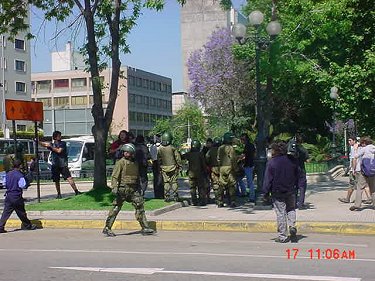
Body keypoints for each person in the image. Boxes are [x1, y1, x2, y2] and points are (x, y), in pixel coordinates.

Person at [103, 143, 155, 237]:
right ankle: (107, 227)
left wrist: (140, 188)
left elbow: (137, 177)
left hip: (134, 189)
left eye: (128, 152)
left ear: (132, 153)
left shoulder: (135, 163)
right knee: (116, 208)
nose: (126, 153)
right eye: (124, 152)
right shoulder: (121, 162)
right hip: (122, 189)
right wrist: (114, 187)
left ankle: (145, 227)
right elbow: (115, 176)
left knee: (140, 207)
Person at [262, 140, 303, 243]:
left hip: (277, 191)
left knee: (281, 213)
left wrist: (265, 193)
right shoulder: (292, 160)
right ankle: (292, 226)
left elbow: (268, 180)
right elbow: (299, 175)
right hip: (291, 190)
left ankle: (283, 236)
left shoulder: (272, 162)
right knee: (291, 209)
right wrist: (298, 187)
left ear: (275, 151)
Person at [41, 130, 81, 199]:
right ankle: (59, 194)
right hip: (55, 164)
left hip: (63, 164)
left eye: (60, 135)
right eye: (59, 136)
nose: (60, 137)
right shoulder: (52, 144)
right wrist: (37, 141)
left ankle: (76, 191)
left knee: (69, 177)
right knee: (56, 180)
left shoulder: (63, 143)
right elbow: (44, 144)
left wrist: (51, 147)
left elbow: (59, 151)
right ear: (55, 137)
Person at [0, 160, 37, 233]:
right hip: (16, 196)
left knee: (6, 213)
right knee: (21, 212)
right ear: (20, 166)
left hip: (8, 196)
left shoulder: (8, 174)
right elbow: (22, 185)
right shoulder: (19, 175)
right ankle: (28, 225)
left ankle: (0, 227)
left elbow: (5, 184)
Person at [350, 136, 375, 211]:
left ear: (364, 143)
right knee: (373, 189)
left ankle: (357, 204)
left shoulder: (364, 149)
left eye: (361, 143)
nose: (361, 145)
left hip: (364, 173)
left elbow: (355, 157)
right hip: (373, 172)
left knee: (359, 188)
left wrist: (353, 169)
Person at [157, 132, 182, 202]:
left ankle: (166, 196)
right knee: (174, 182)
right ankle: (175, 196)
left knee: (166, 182)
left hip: (164, 167)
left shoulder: (160, 149)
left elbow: (159, 159)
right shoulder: (172, 148)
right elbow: (177, 157)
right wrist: (180, 165)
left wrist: (160, 167)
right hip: (173, 167)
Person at [182, 140, 207, 206]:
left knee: (192, 188)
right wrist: (205, 171)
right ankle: (202, 201)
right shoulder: (200, 154)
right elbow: (203, 164)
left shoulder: (189, 154)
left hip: (191, 173)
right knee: (201, 187)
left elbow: (182, 156)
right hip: (199, 173)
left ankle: (194, 201)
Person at [217, 132, 238, 208]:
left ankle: (220, 201)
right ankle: (232, 201)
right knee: (231, 185)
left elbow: (218, 159)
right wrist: (235, 168)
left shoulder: (220, 148)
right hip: (229, 168)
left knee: (221, 185)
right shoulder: (230, 148)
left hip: (222, 168)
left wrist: (220, 167)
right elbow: (233, 158)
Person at [339, 136, 359, 203]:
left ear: (354, 140)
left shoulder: (354, 148)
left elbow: (354, 159)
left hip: (355, 170)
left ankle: (369, 199)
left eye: (350, 140)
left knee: (360, 185)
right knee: (353, 184)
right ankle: (347, 198)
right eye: (348, 140)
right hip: (357, 169)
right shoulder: (355, 147)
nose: (349, 142)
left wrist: (353, 169)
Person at [237, 133, 256, 202]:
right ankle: (245, 192)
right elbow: (253, 154)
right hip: (250, 165)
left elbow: (243, 155)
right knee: (241, 179)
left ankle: (251, 197)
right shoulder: (251, 145)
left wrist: (237, 158)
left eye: (242, 139)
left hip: (248, 165)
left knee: (249, 182)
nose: (241, 141)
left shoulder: (247, 146)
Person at [205, 137, 222, 207]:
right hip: (222, 168)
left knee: (215, 184)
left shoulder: (211, 150)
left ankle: (217, 200)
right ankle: (222, 199)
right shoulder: (222, 149)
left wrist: (209, 163)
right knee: (222, 184)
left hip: (213, 168)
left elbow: (207, 157)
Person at [295, 134, 309, 209]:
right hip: (301, 169)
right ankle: (301, 203)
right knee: (302, 187)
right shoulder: (304, 150)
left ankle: (293, 203)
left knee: (294, 187)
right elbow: (307, 160)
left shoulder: (293, 149)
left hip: (293, 169)